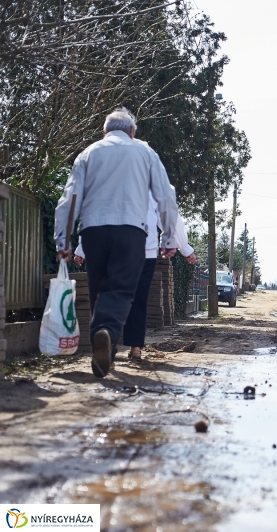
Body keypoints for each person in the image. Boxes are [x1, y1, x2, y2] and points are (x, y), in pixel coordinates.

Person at [54, 108, 179, 378]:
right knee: (121, 289)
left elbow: (70, 199)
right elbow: (165, 197)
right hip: (131, 231)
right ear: (132, 131)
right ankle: (107, 333)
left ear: (105, 132)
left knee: (99, 290)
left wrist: (63, 240)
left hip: (93, 231)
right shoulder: (145, 153)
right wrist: (169, 237)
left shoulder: (88, 153)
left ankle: (106, 357)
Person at [75, 192, 197, 359]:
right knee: (138, 299)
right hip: (144, 250)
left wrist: (82, 248)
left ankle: (108, 343)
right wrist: (185, 248)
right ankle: (135, 348)